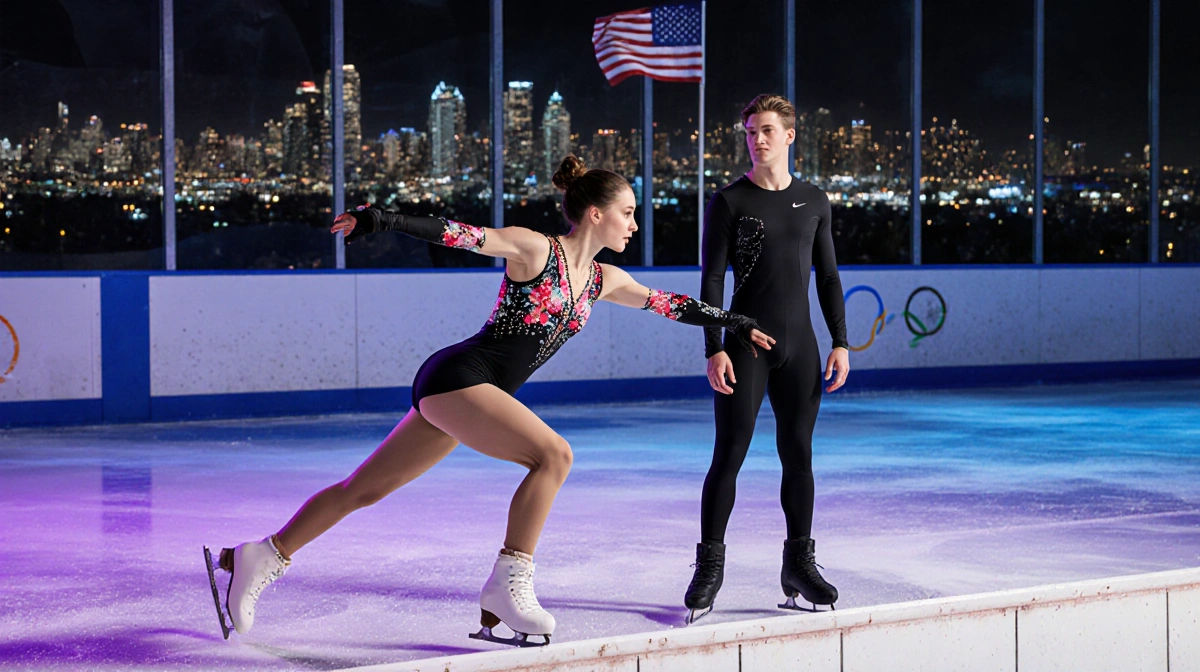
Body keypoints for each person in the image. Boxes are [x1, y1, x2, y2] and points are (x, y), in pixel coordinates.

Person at [203, 155, 774, 647]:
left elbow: (669, 303)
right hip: (458, 376)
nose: (634, 222)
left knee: (362, 490)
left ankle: (261, 554)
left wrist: (737, 322)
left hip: (474, 395)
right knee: (554, 455)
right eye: (627, 212)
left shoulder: (602, 279)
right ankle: (509, 581)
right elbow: (460, 233)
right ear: (595, 214)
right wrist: (383, 218)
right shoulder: (534, 250)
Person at [683, 95, 850, 624]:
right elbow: (712, 281)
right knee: (729, 454)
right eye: (751, 131)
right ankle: (709, 567)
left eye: (768, 130)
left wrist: (841, 341)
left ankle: (799, 564)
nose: (757, 139)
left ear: (790, 136)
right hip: (744, 346)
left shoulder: (815, 200)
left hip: (801, 347)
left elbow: (827, 278)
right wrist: (714, 346)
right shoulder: (730, 201)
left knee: (798, 456)